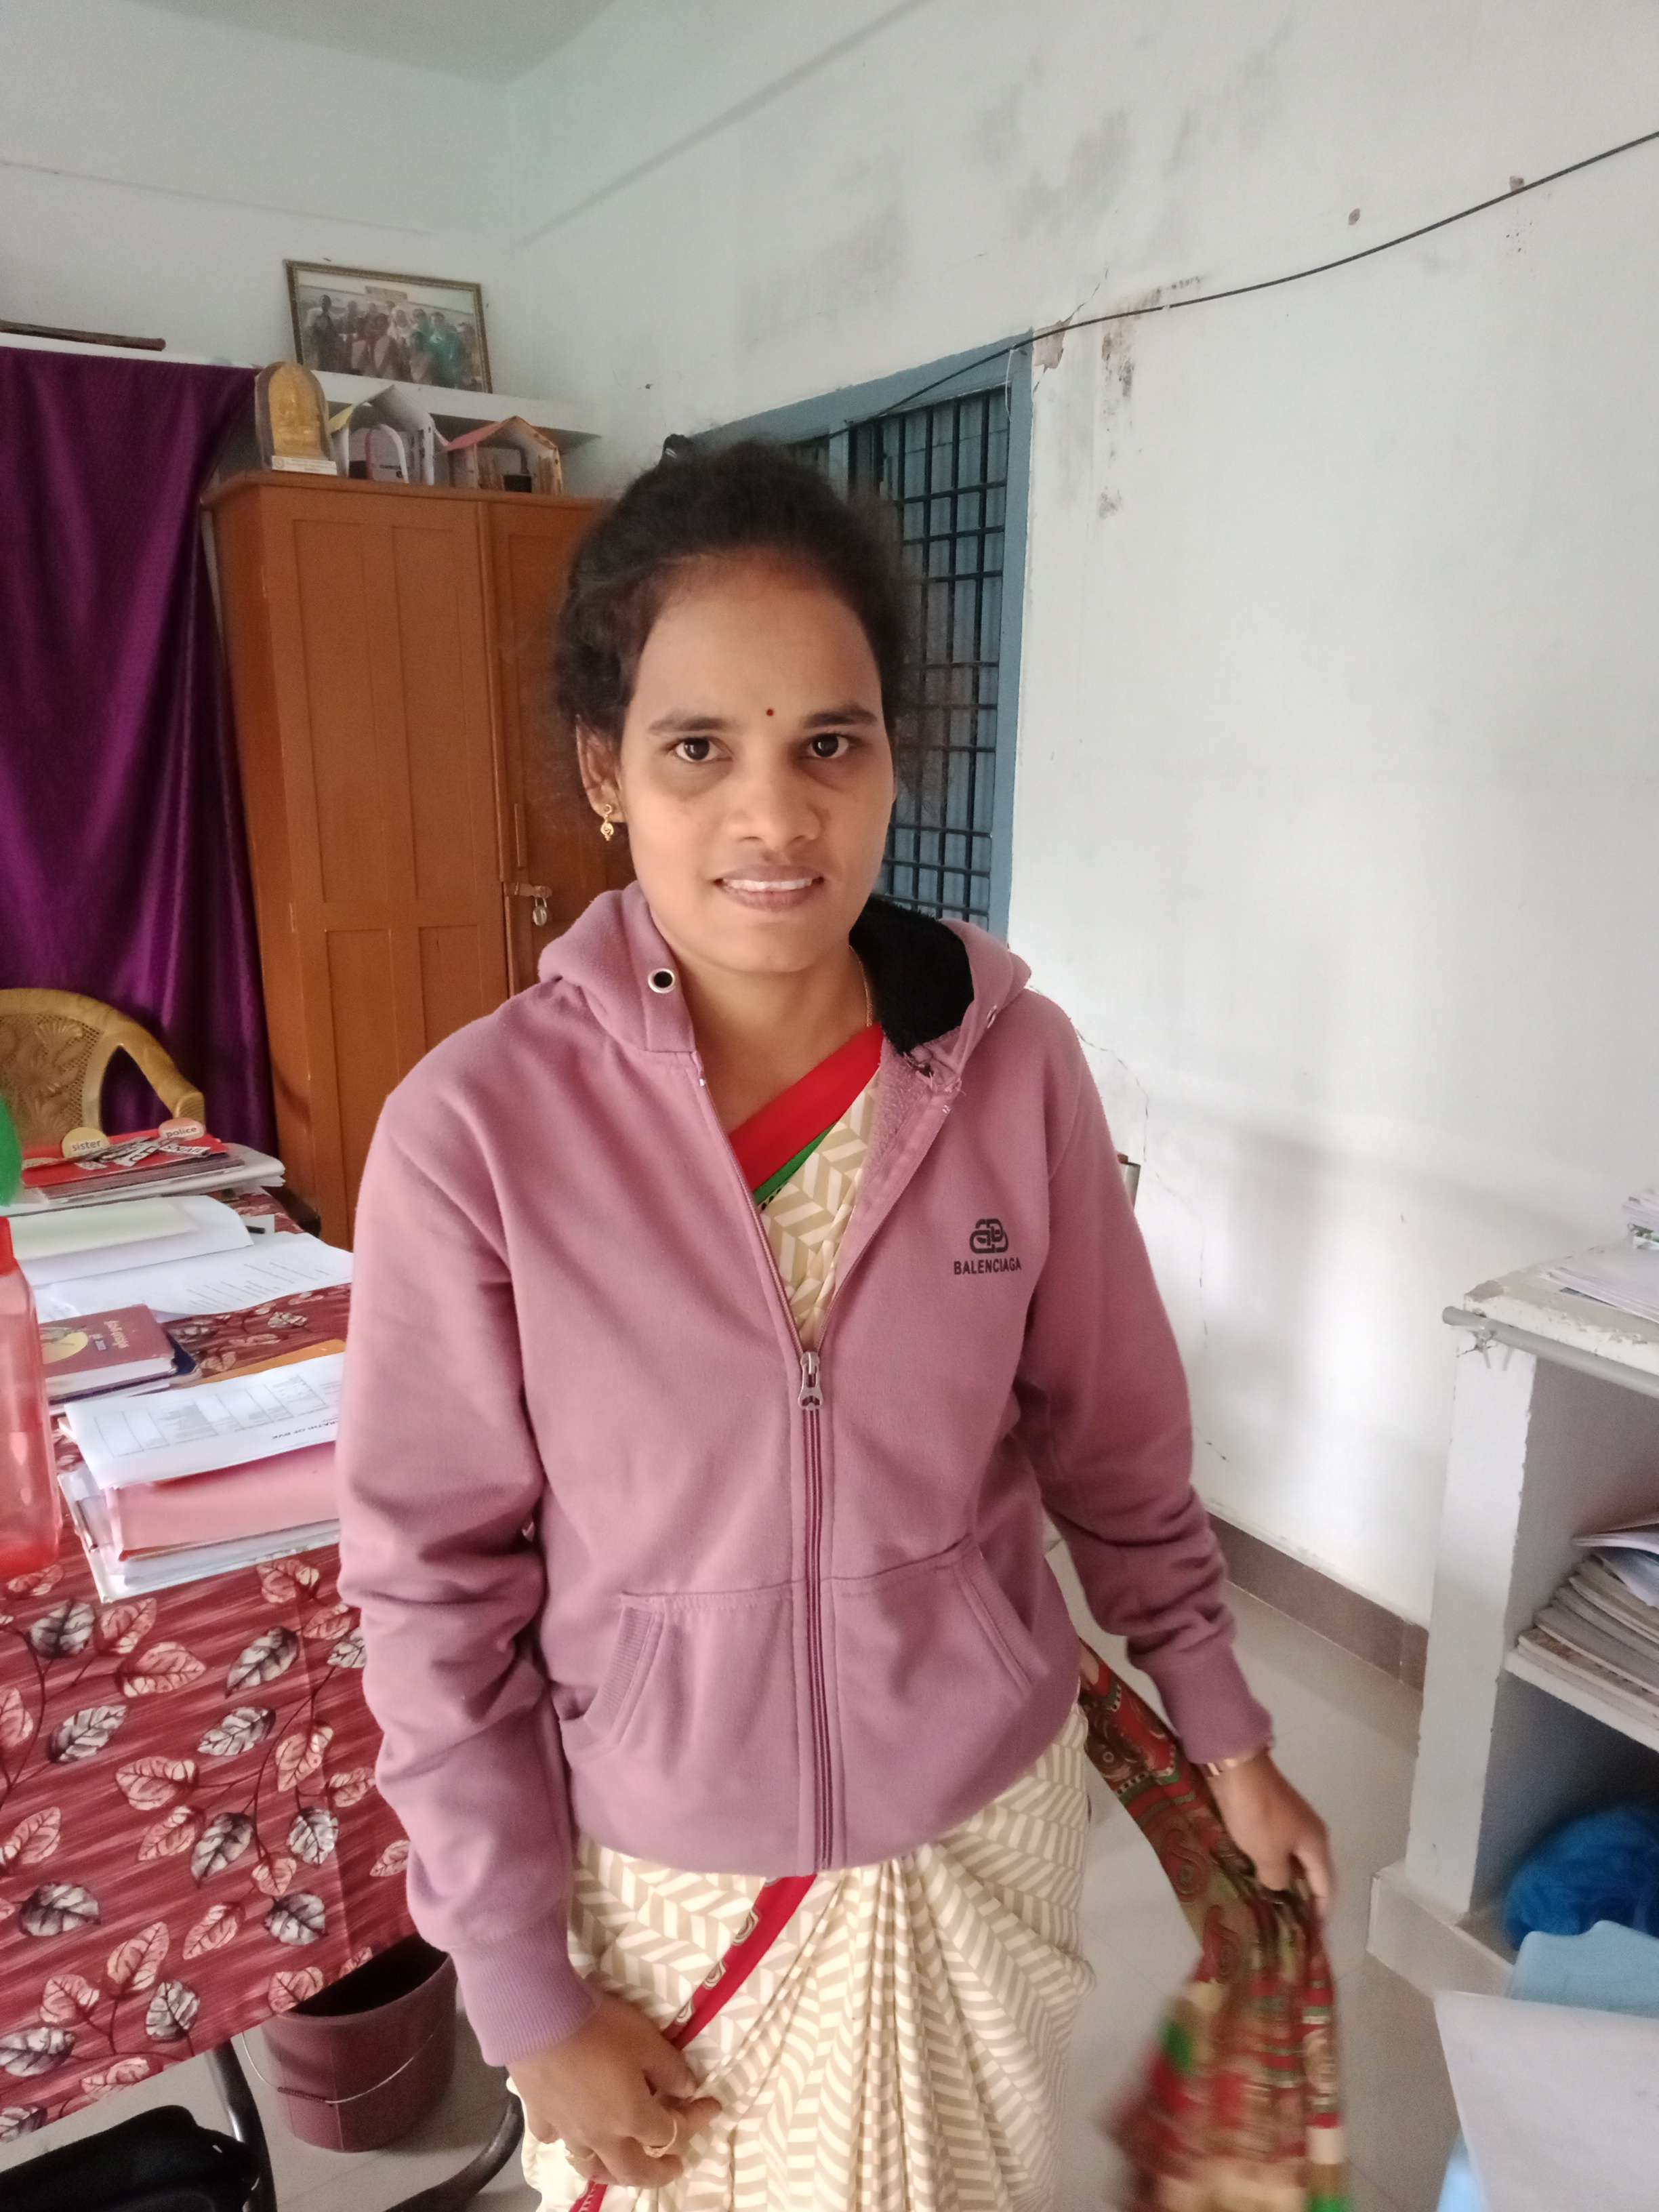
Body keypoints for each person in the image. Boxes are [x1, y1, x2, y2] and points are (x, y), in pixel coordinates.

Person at [337, 441, 1331, 2211]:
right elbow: (432, 1588)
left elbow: (1117, 1447)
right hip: (666, 1880)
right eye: (697, 749)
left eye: (829, 744)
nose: (775, 818)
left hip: (978, 1835)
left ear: (891, 761)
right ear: (605, 771)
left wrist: (1226, 1729)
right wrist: (518, 1987)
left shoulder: (1012, 1069)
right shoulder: (476, 1132)